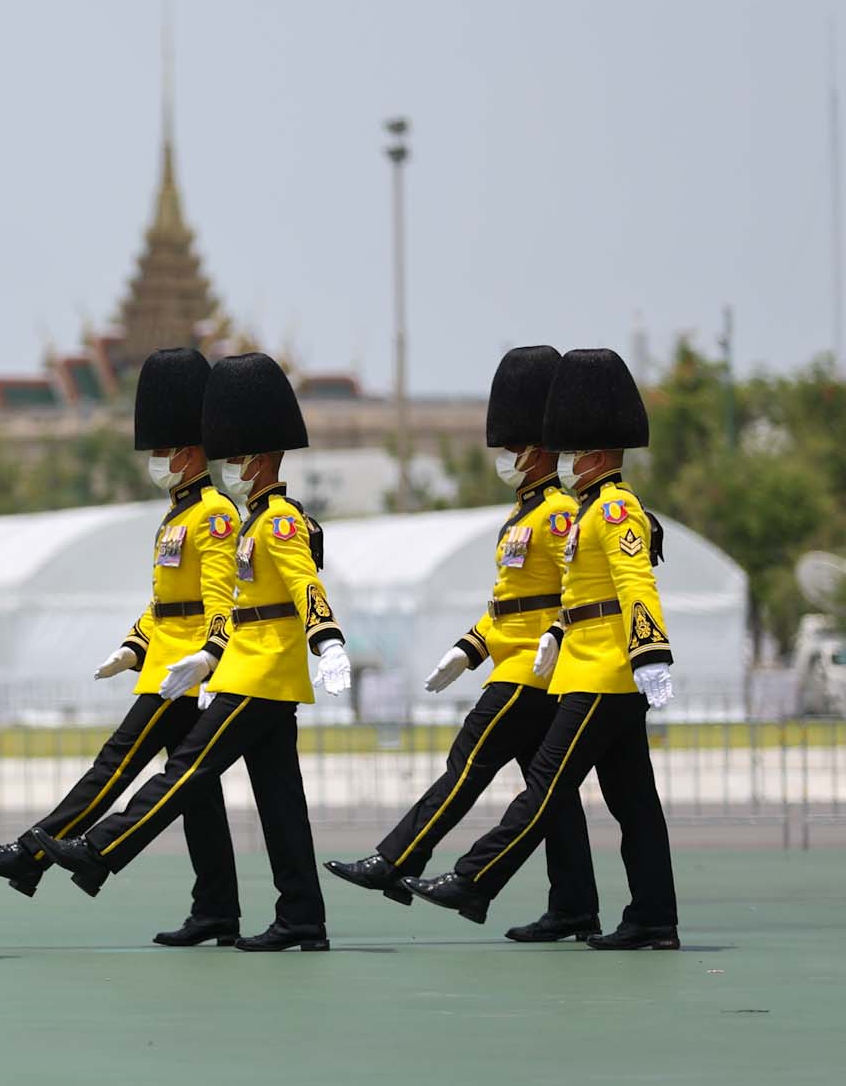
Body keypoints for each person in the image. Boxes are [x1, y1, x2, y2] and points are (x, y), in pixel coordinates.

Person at [33, 352, 349, 952]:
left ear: (258, 460)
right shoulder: (258, 519)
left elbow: (307, 584)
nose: (226, 466)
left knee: (186, 772)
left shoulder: (277, 521)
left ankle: (99, 849)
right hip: (253, 666)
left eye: (235, 458)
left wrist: (326, 638)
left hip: (260, 670)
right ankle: (302, 916)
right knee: (280, 802)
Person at [0, 348, 241, 947]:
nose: (156, 461)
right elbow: (163, 602)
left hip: (185, 671)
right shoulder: (176, 516)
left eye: (163, 451)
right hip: (164, 662)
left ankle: (30, 854)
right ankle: (216, 906)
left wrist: (210, 654)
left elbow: (220, 600)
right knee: (197, 797)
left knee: (113, 767)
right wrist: (132, 646)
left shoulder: (215, 515)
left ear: (189, 452)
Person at [404, 348, 680, 950]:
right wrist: (555, 635)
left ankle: (474, 879)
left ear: (600, 453)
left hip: (606, 671)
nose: (569, 460)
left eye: (577, 450)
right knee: (633, 803)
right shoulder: (588, 510)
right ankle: (652, 918)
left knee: (546, 785)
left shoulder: (615, 508)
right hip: (586, 661)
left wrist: (650, 651)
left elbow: (635, 585)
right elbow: (579, 595)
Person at [323, 346, 600, 940]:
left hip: (532, 670)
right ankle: (575, 904)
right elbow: (508, 604)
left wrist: (555, 638)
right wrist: (467, 650)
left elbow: (573, 592)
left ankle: (397, 860)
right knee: (550, 797)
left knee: (466, 764)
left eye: (512, 448)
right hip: (516, 662)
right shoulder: (524, 515)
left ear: (537, 449)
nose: (504, 458)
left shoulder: (556, 515)